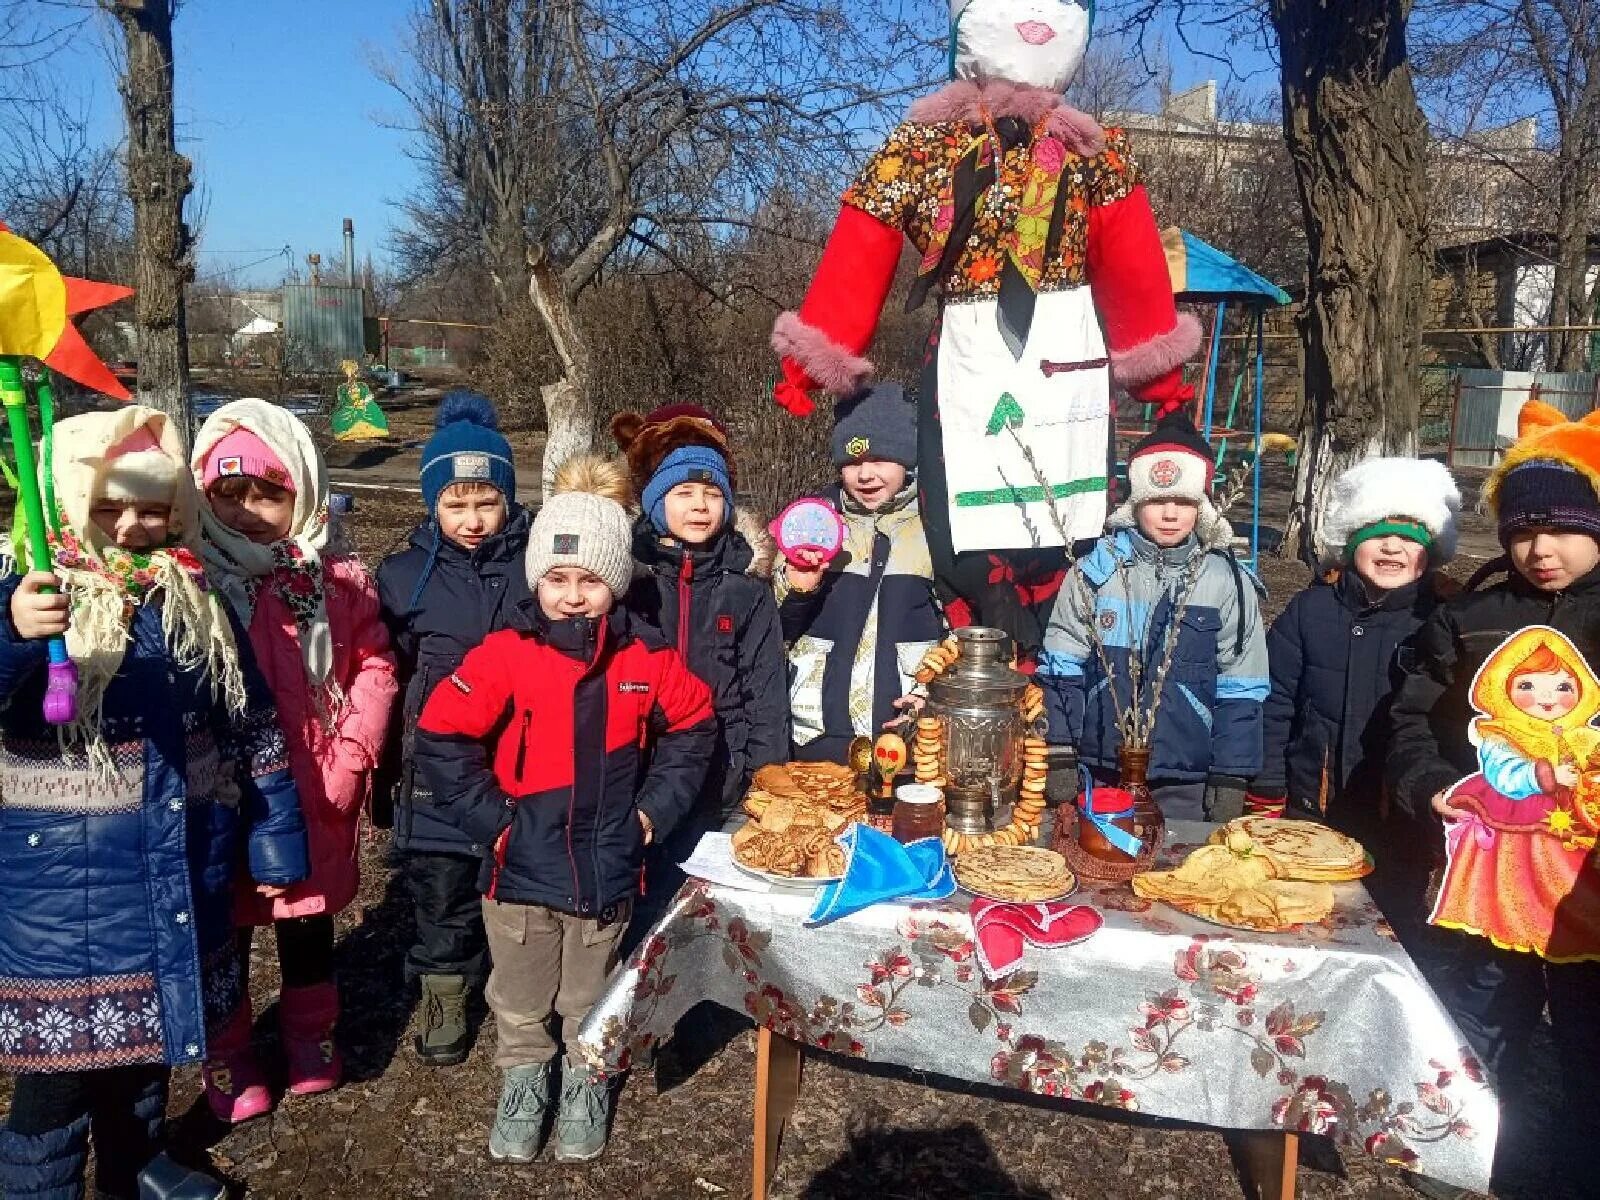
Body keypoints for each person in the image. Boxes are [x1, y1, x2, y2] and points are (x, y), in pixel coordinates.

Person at [0, 407, 308, 1200]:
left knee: (146, 1041)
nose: (134, 525)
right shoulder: (31, 589)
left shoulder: (193, 601)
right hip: (67, 892)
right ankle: (38, 1186)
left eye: (153, 506)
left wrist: (274, 841)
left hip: (175, 863)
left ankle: (134, 1164)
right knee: (58, 1077)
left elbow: (254, 724)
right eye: (111, 507)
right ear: (69, 500)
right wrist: (11, 631)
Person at [415, 464, 716, 1164]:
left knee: (590, 989)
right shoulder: (507, 653)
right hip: (518, 861)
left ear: (615, 583)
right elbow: (441, 733)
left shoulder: (644, 656)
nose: (573, 597)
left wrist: (652, 813)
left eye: (590, 581)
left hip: (606, 860)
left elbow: (694, 725)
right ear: (535, 582)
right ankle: (524, 1077)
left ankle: (584, 1074)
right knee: (519, 991)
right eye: (557, 580)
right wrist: (494, 822)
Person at [1386, 401, 1600, 1198]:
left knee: (1588, 1036)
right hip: (1493, 874)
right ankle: (1471, 1155)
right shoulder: (1469, 618)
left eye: (1561, 528)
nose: (1539, 549)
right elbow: (1413, 720)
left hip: (1591, 885)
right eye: (1520, 530)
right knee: (1478, 1020)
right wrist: (1429, 786)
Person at [190, 399, 398, 1119]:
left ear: (300, 493)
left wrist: (352, 757)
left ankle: (311, 1034)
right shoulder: (191, 581)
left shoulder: (332, 579)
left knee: (306, 919)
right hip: (222, 789)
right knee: (227, 927)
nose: (249, 512)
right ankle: (230, 1052)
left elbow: (373, 666)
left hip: (314, 781)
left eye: (268, 494)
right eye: (230, 495)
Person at [376, 390, 530, 1068]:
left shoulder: (535, 567)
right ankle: (444, 995)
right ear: (431, 504)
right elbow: (385, 676)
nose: (472, 519)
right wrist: (385, 769)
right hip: (436, 769)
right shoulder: (403, 577)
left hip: (521, 761)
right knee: (442, 895)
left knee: (515, 882)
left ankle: (519, 994)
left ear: (508, 499)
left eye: (487, 502)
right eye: (455, 504)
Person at [1247, 458, 1460, 939]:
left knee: (1389, 923)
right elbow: (1275, 702)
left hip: (1397, 813)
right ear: (1351, 543)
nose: (1392, 546)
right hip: (1313, 801)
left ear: (1430, 552)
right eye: (1378, 533)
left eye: (1409, 538)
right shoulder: (1311, 610)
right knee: (1305, 918)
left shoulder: (1442, 620)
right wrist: (1267, 787)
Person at [1037, 412, 1268, 822]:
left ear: (1203, 505)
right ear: (1135, 502)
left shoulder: (1226, 580)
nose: (1170, 514)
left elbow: (1242, 685)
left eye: (1184, 502)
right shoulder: (1096, 573)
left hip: (1187, 776)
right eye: (1158, 500)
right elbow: (1062, 665)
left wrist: (1231, 774)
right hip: (1102, 765)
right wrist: (1060, 750)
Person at [613, 403, 788, 834]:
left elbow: (765, 696)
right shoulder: (631, 581)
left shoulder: (745, 588)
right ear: (655, 502)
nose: (700, 506)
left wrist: (765, 781)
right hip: (639, 771)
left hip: (722, 773)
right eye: (684, 493)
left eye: (713, 495)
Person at [775, 383, 946, 762]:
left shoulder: (935, 530)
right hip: (817, 735)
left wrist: (934, 693)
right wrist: (797, 590)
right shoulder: (811, 524)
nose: (865, 475)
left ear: (907, 459)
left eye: (881, 459)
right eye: (852, 463)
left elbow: (958, 636)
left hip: (907, 735)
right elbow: (776, 630)